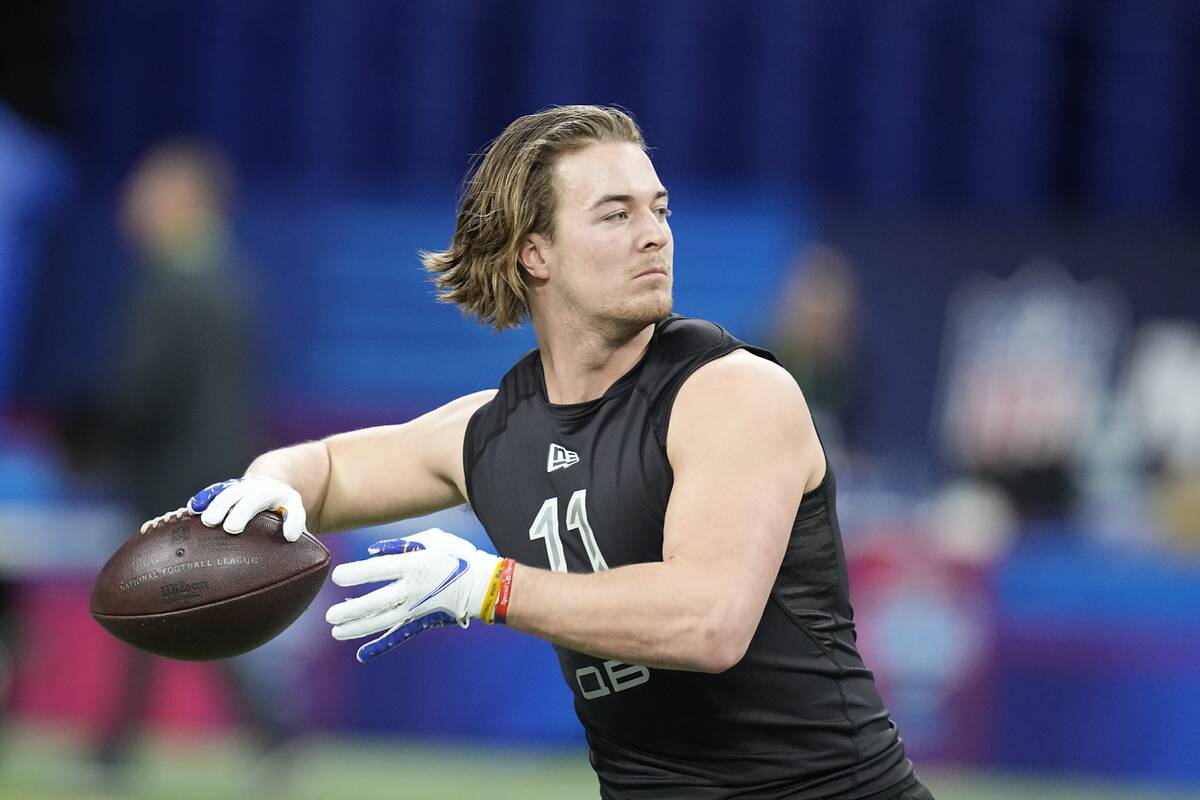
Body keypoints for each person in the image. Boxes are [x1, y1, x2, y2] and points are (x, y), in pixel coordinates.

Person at [153, 106, 932, 799]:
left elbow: (708, 623)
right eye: (615, 213)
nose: (654, 232)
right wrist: (272, 485)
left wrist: (489, 588)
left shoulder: (734, 392)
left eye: (659, 208)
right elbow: (327, 466)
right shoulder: (495, 430)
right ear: (535, 255)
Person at [95, 140, 290, 766]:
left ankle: (273, 736)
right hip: (218, 472)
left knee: (164, 608)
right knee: (183, 613)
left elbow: (141, 393)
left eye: (147, 193)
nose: (133, 206)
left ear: (183, 202)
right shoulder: (234, 280)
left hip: (169, 480)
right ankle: (273, 737)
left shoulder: (172, 286)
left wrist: (96, 450)